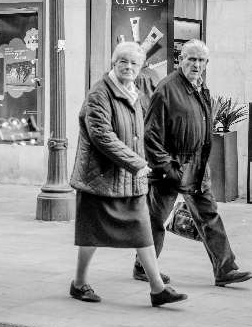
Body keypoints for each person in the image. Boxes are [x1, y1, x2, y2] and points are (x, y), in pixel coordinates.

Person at [69, 41, 187, 307]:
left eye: (135, 63)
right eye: (124, 62)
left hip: (131, 179)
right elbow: (102, 136)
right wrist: (135, 162)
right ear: (114, 63)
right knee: (91, 234)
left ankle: (157, 288)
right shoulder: (99, 94)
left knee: (143, 230)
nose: (129, 67)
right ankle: (78, 283)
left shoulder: (135, 91)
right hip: (98, 178)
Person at [140, 38, 251, 287]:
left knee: (209, 215)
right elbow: (150, 135)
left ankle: (224, 269)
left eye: (201, 60)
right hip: (171, 167)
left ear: (207, 63)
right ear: (181, 60)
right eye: (191, 59)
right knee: (156, 220)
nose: (196, 64)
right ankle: (142, 266)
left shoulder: (200, 86)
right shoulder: (166, 89)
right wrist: (167, 168)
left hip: (198, 166)